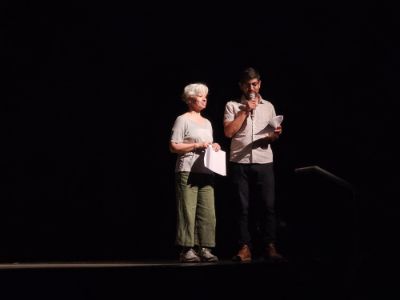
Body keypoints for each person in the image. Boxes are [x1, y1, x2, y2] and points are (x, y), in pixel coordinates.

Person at [223, 67, 285, 262]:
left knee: (268, 205)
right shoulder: (232, 105)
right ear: (241, 86)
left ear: (260, 84)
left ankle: (269, 245)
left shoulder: (269, 106)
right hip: (239, 161)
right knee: (242, 207)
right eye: (248, 84)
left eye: (255, 84)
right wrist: (245, 111)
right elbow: (228, 132)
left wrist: (275, 136)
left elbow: (274, 133)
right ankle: (244, 247)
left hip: (264, 160)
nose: (252, 87)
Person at [170, 82, 221, 263]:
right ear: (191, 99)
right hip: (187, 170)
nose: (204, 98)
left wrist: (214, 146)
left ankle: (205, 248)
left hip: (206, 171)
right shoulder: (182, 119)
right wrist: (196, 145)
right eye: (200, 95)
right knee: (187, 210)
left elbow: (209, 143)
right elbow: (174, 146)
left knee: (208, 211)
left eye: (205, 95)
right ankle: (187, 249)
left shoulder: (207, 122)